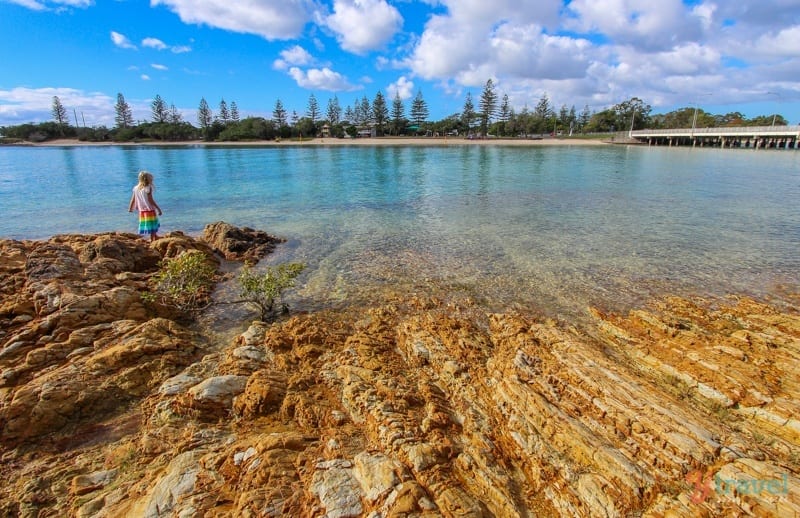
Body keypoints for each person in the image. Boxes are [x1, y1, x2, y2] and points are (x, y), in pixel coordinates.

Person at [128, 170, 163, 242]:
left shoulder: (136, 188)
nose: (152, 180)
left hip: (142, 210)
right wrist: (158, 208)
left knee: (148, 223)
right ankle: (152, 239)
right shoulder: (148, 188)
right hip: (149, 209)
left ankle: (155, 236)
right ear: (147, 179)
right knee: (153, 224)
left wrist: (130, 208)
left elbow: (133, 199)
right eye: (151, 178)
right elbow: (150, 200)